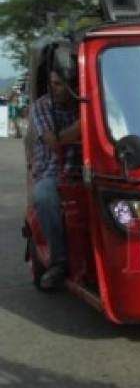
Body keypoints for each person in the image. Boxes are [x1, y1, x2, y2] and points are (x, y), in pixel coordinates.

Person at [29, 69, 82, 289]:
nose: (53, 88)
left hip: (85, 171)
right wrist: (83, 124)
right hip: (53, 174)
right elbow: (53, 141)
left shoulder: (87, 104)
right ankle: (58, 261)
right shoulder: (41, 106)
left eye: (59, 84)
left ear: (73, 86)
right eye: (52, 83)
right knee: (43, 195)